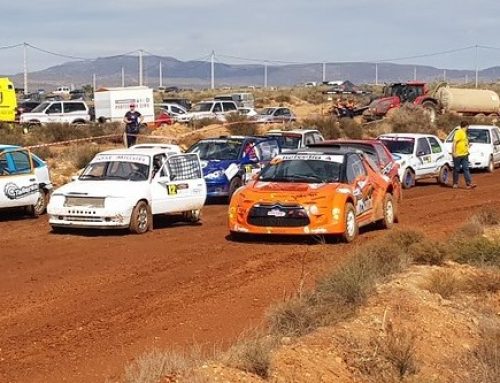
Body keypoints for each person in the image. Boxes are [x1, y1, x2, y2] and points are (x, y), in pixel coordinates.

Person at [452, 121, 476, 189]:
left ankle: (469, 184)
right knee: (457, 169)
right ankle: (455, 183)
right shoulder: (459, 132)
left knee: (466, 169)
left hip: (465, 154)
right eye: (468, 126)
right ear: (466, 126)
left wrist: (468, 146)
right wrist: (454, 152)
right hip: (458, 154)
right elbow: (454, 142)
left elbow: (464, 143)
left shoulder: (465, 133)